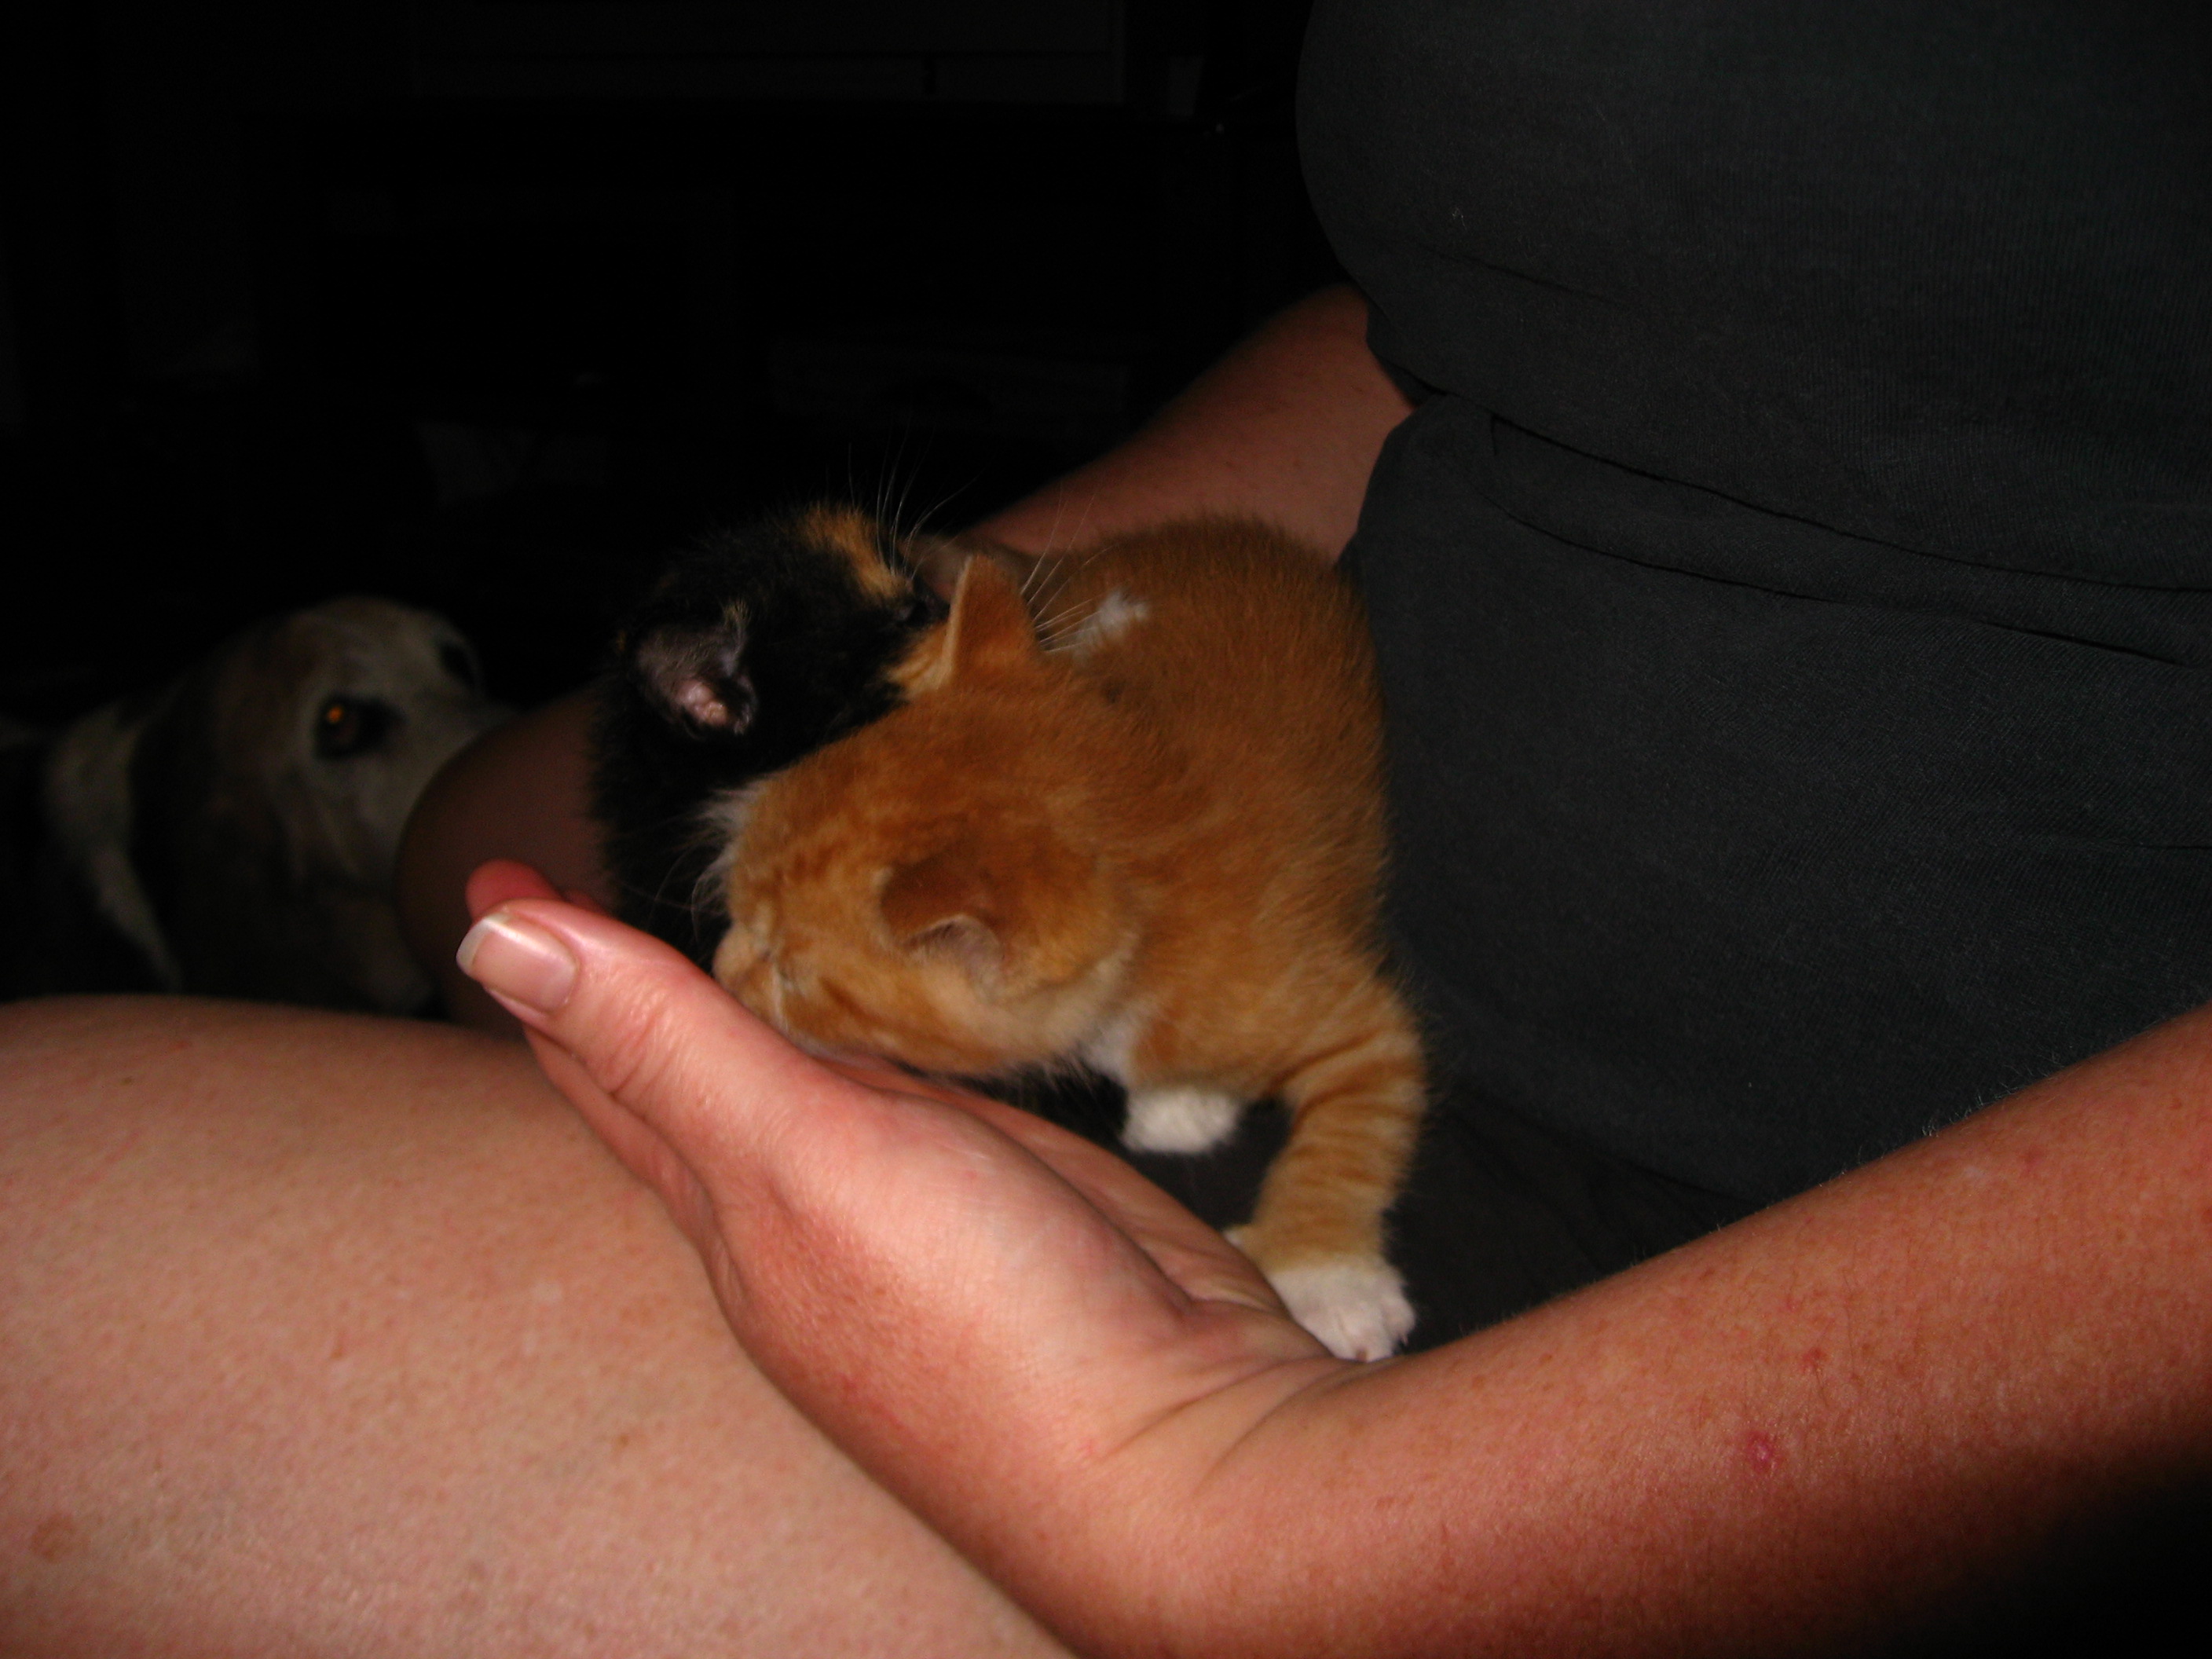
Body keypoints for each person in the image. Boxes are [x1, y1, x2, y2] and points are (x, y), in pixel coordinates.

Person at [7, 4, 2210, 1653]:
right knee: (424, 870)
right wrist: (982, 660)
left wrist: (1258, 1526)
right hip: (1221, 885)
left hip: (1871, 1269)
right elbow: (1496, 316)